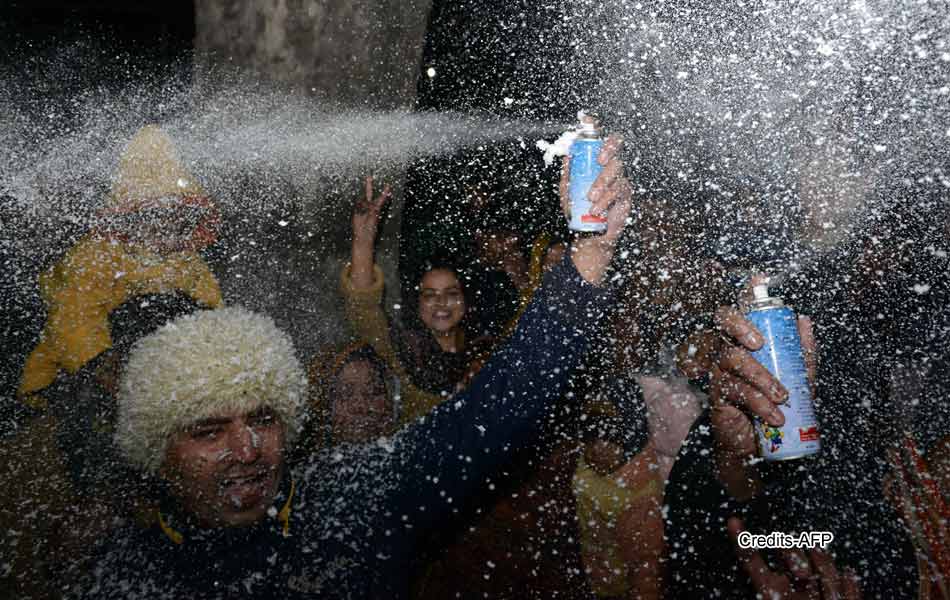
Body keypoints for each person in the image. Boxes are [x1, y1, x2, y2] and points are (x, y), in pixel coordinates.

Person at [80, 137, 632, 599]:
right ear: (156, 448)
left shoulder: (351, 495)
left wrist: (589, 255)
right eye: (208, 431)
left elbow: (497, 409)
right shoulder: (122, 575)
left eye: (263, 421)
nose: (247, 450)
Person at [341, 177, 477, 422]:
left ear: (466, 300)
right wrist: (363, 241)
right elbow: (363, 309)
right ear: (418, 304)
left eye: (451, 293)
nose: (441, 303)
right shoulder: (402, 353)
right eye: (430, 295)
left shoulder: (485, 351)